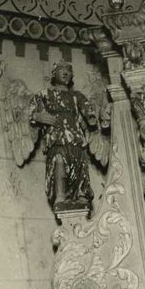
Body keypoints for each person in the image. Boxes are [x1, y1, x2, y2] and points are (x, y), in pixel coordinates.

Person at [29, 61, 98, 211]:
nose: (66, 72)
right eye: (62, 69)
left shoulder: (77, 96)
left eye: (69, 70)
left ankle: (81, 194)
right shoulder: (45, 94)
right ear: (54, 74)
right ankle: (60, 196)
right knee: (59, 160)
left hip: (75, 135)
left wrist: (91, 116)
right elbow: (30, 111)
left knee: (79, 163)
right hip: (56, 135)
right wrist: (38, 116)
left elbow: (88, 110)